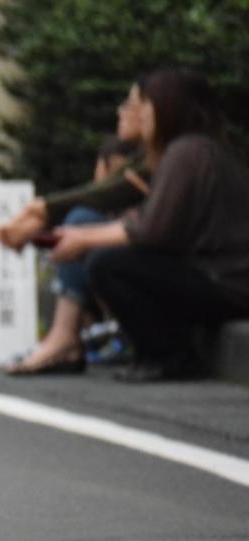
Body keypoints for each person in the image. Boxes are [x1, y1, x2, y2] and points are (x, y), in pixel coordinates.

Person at [49, 68, 249, 382]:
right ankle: (155, 352)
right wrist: (82, 237)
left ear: (168, 107)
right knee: (107, 256)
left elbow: (152, 231)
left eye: (144, 106)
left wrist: (84, 240)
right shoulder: (191, 150)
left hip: (225, 281)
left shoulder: (187, 152)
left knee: (110, 265)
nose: (137, 114)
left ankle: (169, 355)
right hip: (218, 276)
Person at [0, 116, 147, 375]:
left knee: (82, 227)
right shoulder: (159, 158)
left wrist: (83, 237)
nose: (125, 112)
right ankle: (69, 335)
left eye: (136, 104)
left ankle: (65, 338)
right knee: (81, 232)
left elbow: (149, 228)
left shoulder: (161, 162)